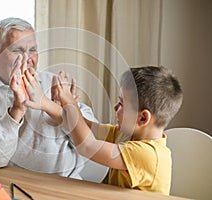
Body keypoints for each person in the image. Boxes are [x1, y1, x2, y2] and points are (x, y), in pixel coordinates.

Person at [0, 17, 96, 179]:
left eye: (33, 50)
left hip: (66, 185)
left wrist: (60, 113)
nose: (28, 59)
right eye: (17, 50)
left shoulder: (55, 84)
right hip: (8, 188)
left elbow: (92, 143)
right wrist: (16, 110)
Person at [22, 66, 183, 195]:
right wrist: (44, 102)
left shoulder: (148, 155)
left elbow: (87, 146)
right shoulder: (125, 136)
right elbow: (80, 125)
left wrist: (70, 103)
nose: (115, 107)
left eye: (121, 104)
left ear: (143, 118)